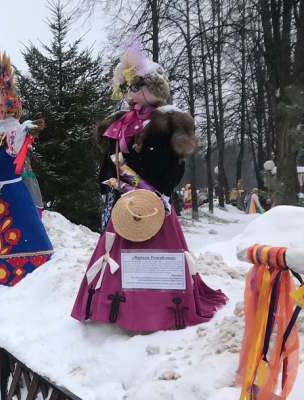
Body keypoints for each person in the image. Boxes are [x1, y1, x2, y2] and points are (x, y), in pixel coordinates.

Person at [70, 41, 228, 331]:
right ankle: (112, 308)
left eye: (134, 87)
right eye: (126, 87)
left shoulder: (169, 119)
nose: (129, 94)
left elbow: (174, 163)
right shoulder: (121, 122)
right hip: (124, 203)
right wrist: (107, 184)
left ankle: (161, 309)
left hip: (152, 203)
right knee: (117, 253)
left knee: (159, 255)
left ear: (152, 88)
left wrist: (161, 191)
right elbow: (111, 159)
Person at [0, 52, 54, 290]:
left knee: (21, 227)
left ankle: (26, 272)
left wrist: (27, 128)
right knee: (1, 231)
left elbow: (21, 136)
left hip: (11, 189)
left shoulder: (13, 134)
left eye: (2, 101)